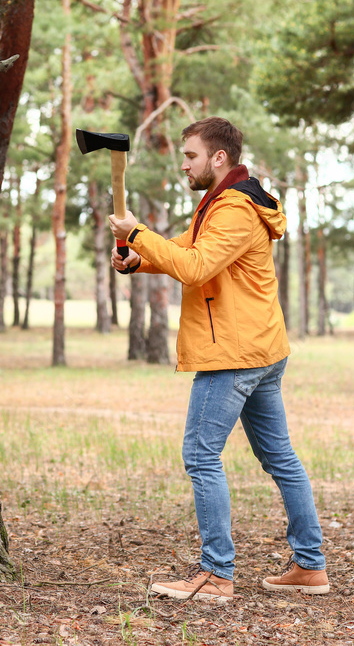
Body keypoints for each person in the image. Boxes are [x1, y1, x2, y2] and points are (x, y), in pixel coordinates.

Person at [108, 117, 328, 602]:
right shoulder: (221, 203)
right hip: (260, 348)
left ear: (218, 158)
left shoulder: (235, 209)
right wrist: (138, 257)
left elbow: (195, 267)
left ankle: (216, 574)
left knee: (200, 455)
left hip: (235, 353)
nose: (183, 163)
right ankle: (310, 566)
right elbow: (186, 249)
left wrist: (138, 232)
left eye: (190, 155)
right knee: (280, 458)